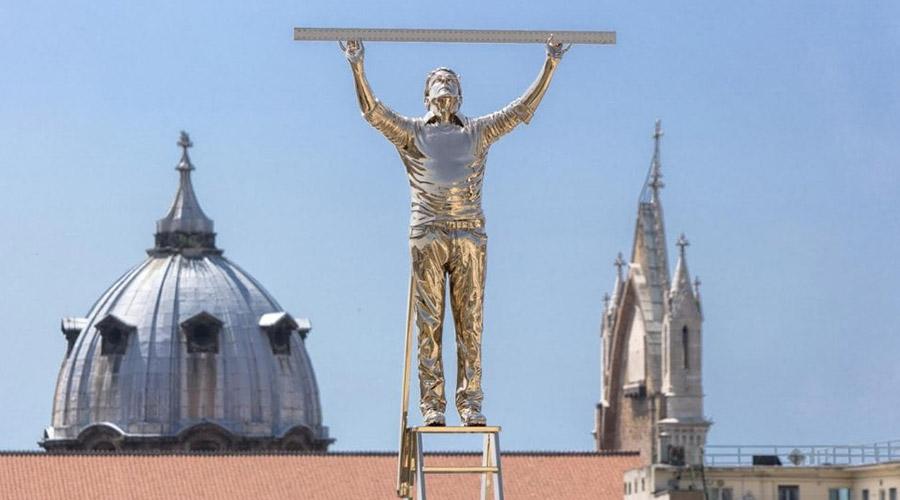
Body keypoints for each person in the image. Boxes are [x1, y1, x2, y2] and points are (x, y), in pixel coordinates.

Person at [342, 37, 568, 426]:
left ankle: (470, 403)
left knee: (471, 321)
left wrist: (550, 63)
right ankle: (433, 405)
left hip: (469, 233)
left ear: (459, 96)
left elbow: (521, 111)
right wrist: (357, 64)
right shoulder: (412, 132)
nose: (444, 83)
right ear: (426, 93)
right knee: (429, 322)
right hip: (427, 231)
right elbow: (373, 112)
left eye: (451, 80)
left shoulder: (477, 131)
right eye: (438, 79)